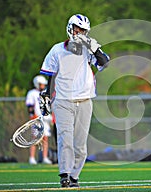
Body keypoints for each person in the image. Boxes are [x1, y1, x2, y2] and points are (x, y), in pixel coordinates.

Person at [39, 14, 109, 188]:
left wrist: (95, 48)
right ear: (70, 28)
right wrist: (47, 95)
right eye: (78, 29)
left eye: (84, 30)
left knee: (80, 145)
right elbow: (50, 76)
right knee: (65, 140)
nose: (80, 32)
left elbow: (104, 63)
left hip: (85, 100)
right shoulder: (57, 50)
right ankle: (65, 175)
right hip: (63, 101)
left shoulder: (88, 49)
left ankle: (75, 176)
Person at [25, 75, 53, 165]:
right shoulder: (32, 93)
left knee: (45, 139)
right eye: (41, 84)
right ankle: (32, 158)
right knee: (35, 138)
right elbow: (30, 107)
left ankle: (45, 157)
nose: (43, 86)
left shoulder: (45, 93)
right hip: (37, 119)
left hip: (45, 119)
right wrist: (32, 116)